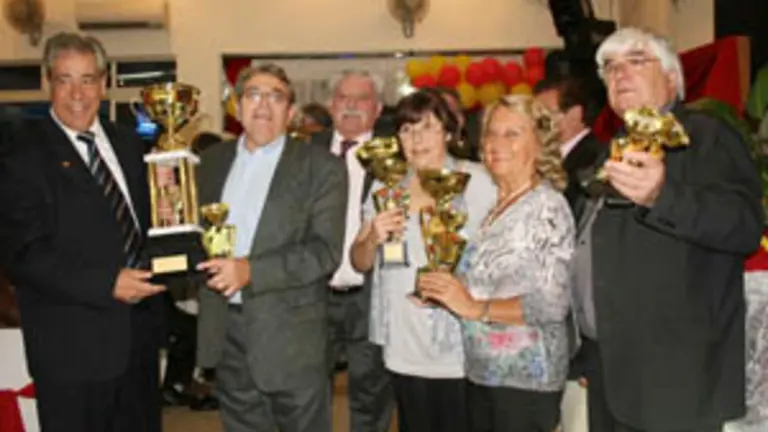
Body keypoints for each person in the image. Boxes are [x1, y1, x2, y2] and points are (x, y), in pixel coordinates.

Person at [573, 27, 764, 432]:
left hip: (677, 381)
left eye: (637, 61)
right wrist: (591, 352)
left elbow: (744, 227)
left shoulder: (705, 136)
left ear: (673, 78)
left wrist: (663, 195)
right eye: (610, 67)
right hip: (613, 372)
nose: (619, 73)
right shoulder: (614, 148)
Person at [0, 32, 166, 431]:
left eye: (87, 79)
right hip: (72, 354)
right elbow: (23, 255)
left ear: (104, 83)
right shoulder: (20, 153)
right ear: (47, 82)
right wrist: (106, 282)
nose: (77, 93)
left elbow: (143, 229)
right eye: (64, 79)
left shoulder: (130, 145)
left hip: (138, 345)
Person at [195, 63, 348, 432]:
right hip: (227, 333)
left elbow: (323, 251)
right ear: (237, 106)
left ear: (291, 112)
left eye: (276, 96)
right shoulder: (210, 163)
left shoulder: (321, 167)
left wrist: (250, 271)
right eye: (253, 95)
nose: (263, 105)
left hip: (292, 339)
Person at [418, 95, 575, 431]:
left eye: (513, 134)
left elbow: (551, 303)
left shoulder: (545, 206)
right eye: (491, 132)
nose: (496, 143)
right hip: (484, 372)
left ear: (539, 144)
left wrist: (475, 308)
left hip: (525, 380)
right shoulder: (498, 206)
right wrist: (446, 291)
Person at [350, 89, 496, 432]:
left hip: (462, 339)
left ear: (448, 132)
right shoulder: (385, 189)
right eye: (406, 129)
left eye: (427, 127)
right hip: (403, 338)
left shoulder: (480, 182)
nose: (416, 139)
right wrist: (372, 237)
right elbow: (360, 262)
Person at [315, 69, 395, 432]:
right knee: (309, 393)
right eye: (343, 98)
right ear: (332, 107)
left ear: (376, 109)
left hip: (371, 293)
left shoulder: (395, 155)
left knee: (370, 395)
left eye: (360, 99)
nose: (350, 105)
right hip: (313, 294)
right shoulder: (305, 152)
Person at [534, 75, 603, 220]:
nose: (538, 123)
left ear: (575, 114)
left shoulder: (593, 159)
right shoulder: (544, 157)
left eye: (546, 113)